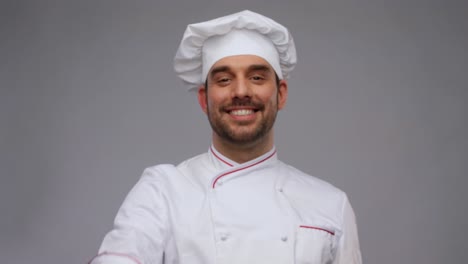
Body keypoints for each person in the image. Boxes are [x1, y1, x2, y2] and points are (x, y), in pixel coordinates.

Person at [90, 10, 362, 264]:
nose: (241, 91)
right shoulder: (163, 191)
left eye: (256, 77)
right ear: (203, 99)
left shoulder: (331, 205)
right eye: (223, 80)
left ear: (280, 94)